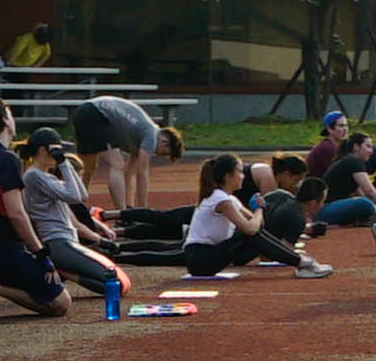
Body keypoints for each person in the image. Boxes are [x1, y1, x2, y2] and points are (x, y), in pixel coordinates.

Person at [0, 96, 67, 319]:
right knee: (60, 304)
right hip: (3, 250)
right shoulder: (7, 159)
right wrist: (40, 252)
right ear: (6, 122)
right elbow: (16, 213)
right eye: (11, 115)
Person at [141, 156, 330, 280]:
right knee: (161, 247)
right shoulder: (222, 200)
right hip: (200, 259)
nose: (242, 176)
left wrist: (258, 210)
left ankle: (301, 262)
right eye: (239, 172)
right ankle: (302, 263)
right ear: (228, 176)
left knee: (162, 253)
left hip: (207, 253)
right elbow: (251, 229)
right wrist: (259, 209)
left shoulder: (230, 198)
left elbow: (258, 224)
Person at [18, 130, 123, 299]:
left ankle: (65, 271)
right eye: (56, 150)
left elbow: (82, 195)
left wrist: (65, 162)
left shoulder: (45, 176)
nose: (59, 155)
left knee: (116, 283)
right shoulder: (33, 176)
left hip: (67, 240)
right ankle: (64, 271)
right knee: (115, 284)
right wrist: (63, 164)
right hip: (57, 241)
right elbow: (73, 196)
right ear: (42, 151)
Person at [68, 95, 183, 213]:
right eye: (162, 152)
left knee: (87, 169)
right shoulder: (151, 135)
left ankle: (78, 209)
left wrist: (131, 207)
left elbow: (130, 175)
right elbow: (142, 175)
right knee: (117, 164)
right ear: (164, 142)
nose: (155, 154)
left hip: (83, 111)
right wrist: (144, 211)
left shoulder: (141, 137)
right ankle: (121, 212)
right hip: (97, 113)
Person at [305, 111, 350, 183]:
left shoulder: (337, 146)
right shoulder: (327, 148)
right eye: (341, 126)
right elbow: (337, 175)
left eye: (346, 125)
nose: (345, 129)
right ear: (329, 129)